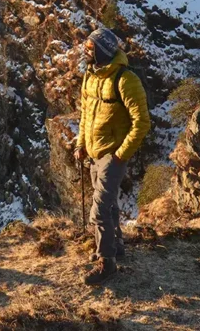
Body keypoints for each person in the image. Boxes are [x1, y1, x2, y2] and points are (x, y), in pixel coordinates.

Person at [74, 28, 151, 285]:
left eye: (90, 48)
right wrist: (81, 144)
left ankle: (106, 262)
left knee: (98, 211)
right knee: (110, 205)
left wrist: (121, 154)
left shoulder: (125, 80)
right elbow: (86, 114)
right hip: (95, 151)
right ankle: (117, 245)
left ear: (102, 52)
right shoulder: (90, 76)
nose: (85, 52)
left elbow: (142, 122)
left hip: (112, 155)